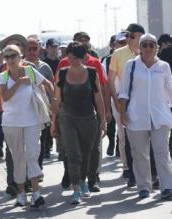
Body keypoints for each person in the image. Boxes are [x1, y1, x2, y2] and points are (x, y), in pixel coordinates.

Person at [0, 44, 54, 207]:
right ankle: (21, 193)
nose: (9, 60)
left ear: (20, 57)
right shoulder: (4, 77)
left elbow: (48, 84)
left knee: (32, 154)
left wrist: (53, 99)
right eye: (6, 57)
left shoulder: (30, 71)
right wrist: (19, 82)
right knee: (18, 157)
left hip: (32, 120)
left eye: (13, 56)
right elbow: (5, 96)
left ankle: (36, 192)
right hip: (11, 122)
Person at [51, 41, 106, 204]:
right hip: (67, 119)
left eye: (75, 57)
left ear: (83, 57)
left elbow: (98, 97)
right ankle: (76, 189)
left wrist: (103, 120)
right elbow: (57, 100)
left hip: (88, 119)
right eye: (69, 56)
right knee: (73, 154)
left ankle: (83, 181)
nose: (71, 59)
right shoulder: (61, 74)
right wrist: (54, 121)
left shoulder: (91, 73)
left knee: (86, 152)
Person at [118, 34, 172, 200]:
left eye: (151, 45)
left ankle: (167, 186)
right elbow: (124, 92)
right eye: (145, 45)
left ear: (157, 47)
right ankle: (144, 186)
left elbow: (170, 90)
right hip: (136, 116)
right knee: (140, 154)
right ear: (140, 48)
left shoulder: (164, 66)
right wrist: (123, 113)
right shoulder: (131, 66)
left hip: (160, 116)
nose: (148, 48)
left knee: (162, 152)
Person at [108, 23, 146, 187]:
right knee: (126, 137)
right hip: (124, 100)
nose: (129, 39)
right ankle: (130, 171)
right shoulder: (118, 54)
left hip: (144, 101)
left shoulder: (149, 51)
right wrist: (116, 103)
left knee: (145, 138)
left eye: (133, 36)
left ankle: (147, 172)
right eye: (128, 36)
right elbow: (110, 80)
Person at [25, 38, 55, 164]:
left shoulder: (45, 67)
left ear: (39, 49)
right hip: (25, 110)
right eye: (29, 48)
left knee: (41, 139)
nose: (32, 51)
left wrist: (54, 105)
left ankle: (38, 168)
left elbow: (51, 86)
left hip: (42, 108)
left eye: (34, 48)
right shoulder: (20, 66)